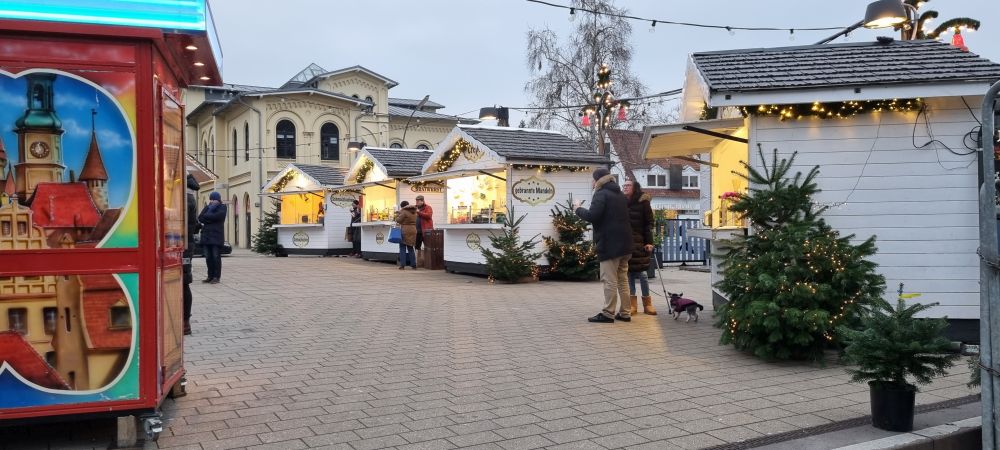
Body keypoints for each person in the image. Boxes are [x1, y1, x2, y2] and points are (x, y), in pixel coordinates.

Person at [575, 168, 633, 323]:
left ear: (599, 180)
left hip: (610, 244)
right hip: (625, 244)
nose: (592, 183)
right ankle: (626, 312)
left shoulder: (601, 194)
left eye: (593, 179)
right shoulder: (620, 194)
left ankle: (608, 313)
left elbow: (593, 216)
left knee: (609, 280)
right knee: (622, 279)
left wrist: (577, 208)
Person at [623, 179, 657, 316]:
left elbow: (649, 223)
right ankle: (632, 305)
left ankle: (647, 304)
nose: (625, 187)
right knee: (629, 273)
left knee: (642, 273)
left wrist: (649, 242)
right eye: (624, 185)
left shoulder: (643, 201)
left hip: (641, 241)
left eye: (628, 185)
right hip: (625, 242)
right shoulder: (621, 201)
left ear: (634, 187)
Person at [183, 174, 202, 335]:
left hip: (180, 245)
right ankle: (185, 322)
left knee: (182, 283)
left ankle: (183, 322)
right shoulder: (191, 198)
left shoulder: (182, 199)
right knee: (184, 283)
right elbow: (195, 224)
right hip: (187, 246)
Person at [198, 191, 227, 284]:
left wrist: (207, 218)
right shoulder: (207, 207)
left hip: (216, 236)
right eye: (211, 199)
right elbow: (200, 217)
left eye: (214, 199)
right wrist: (210, 218)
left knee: (216, 257)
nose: (212, 201)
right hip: (206, 236)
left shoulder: (222, 207)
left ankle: (216, 277)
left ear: (218, 199)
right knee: (208, 257)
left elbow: (218, 217)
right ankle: (209, 276)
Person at [394, 200, 418, 270]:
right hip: (413, 229)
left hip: (405, 230)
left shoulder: (404, 211)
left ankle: (402, 265)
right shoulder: (414, 211)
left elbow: (398, 220)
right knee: (410, 247)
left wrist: (397, 215)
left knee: (402, 247)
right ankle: (413, 265)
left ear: (402, 206)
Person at [414, 195, 433, 265]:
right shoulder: (415, 208)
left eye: (418, 201)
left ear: (422, 201)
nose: (417, 202)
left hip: (426, 231)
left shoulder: (428, 207)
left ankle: (428, 263)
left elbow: (428, 216)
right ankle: (417, 263)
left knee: (428, 247)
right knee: (417, 247)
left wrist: (418, 212)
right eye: (416, 201)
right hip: (417, 231)